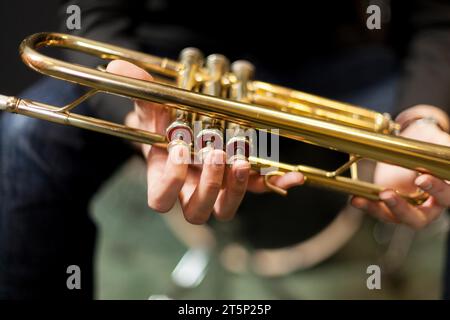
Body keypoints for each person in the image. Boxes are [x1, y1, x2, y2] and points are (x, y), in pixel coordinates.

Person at [0, 0, 449, 299]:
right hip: (159, 56)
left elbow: (437, 17)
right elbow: (92, 13)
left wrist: (424, 118)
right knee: (26, 144)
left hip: (334, 55)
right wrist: (136, 115)